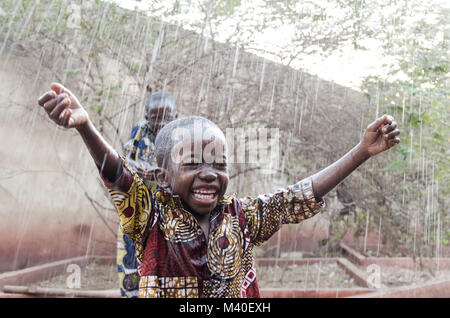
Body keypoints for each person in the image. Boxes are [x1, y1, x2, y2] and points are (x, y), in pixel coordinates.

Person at [37, 82, 400, 298]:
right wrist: (85, 128)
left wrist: (361, 151)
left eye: (219, 164)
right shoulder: (151, 215)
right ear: (162, 177)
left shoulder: (241, 218)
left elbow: (297, 197)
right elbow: (119, 174)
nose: (209, 174)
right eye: (193, 164)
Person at [117, 91, 177, 298]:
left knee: (166, 270)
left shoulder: (182, 136)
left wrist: (164, 175)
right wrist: (139, 169)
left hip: (168, 216)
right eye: (155, 117)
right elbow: (123, 160)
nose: (161, 122)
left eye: (167, 117)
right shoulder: (140, 132)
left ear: (175, 116)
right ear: (146, 116)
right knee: (131, 267)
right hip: (137, 213)